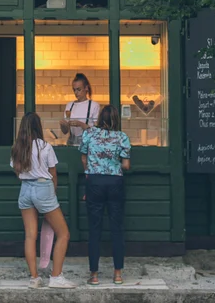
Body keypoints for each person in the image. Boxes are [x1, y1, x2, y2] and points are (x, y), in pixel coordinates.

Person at [10, 113, 76, 289]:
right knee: (63, 234)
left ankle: (34, 278)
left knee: (30, 236)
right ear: (38, 127)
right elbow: (53, 173)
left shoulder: (17, 147)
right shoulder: (45, 147)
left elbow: (17, 172)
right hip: (43, 188)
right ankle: (56, 277)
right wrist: (51, 193)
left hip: (25, 190)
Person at [80, 104, 131, 285]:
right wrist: (116, 163)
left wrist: (91, 169)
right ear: (116, 120)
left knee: (95, 229)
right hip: (115, 182)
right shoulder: (122, 137)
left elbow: (84, 158)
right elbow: (125, 165)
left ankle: (94, 276)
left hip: (94, 182)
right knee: (117, 228)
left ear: (100, 118)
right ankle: (117, 274)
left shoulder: (89, 134)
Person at [60, 73, 99, 148]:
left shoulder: (94, 105)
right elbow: (65, 131)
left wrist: (81, 124)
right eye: (74, 90)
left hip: (88, 144)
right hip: (72, 142)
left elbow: (96, 132)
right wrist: (63, 125)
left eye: (79, 89)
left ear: (86, 88)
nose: (76, 92)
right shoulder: (69, 105)